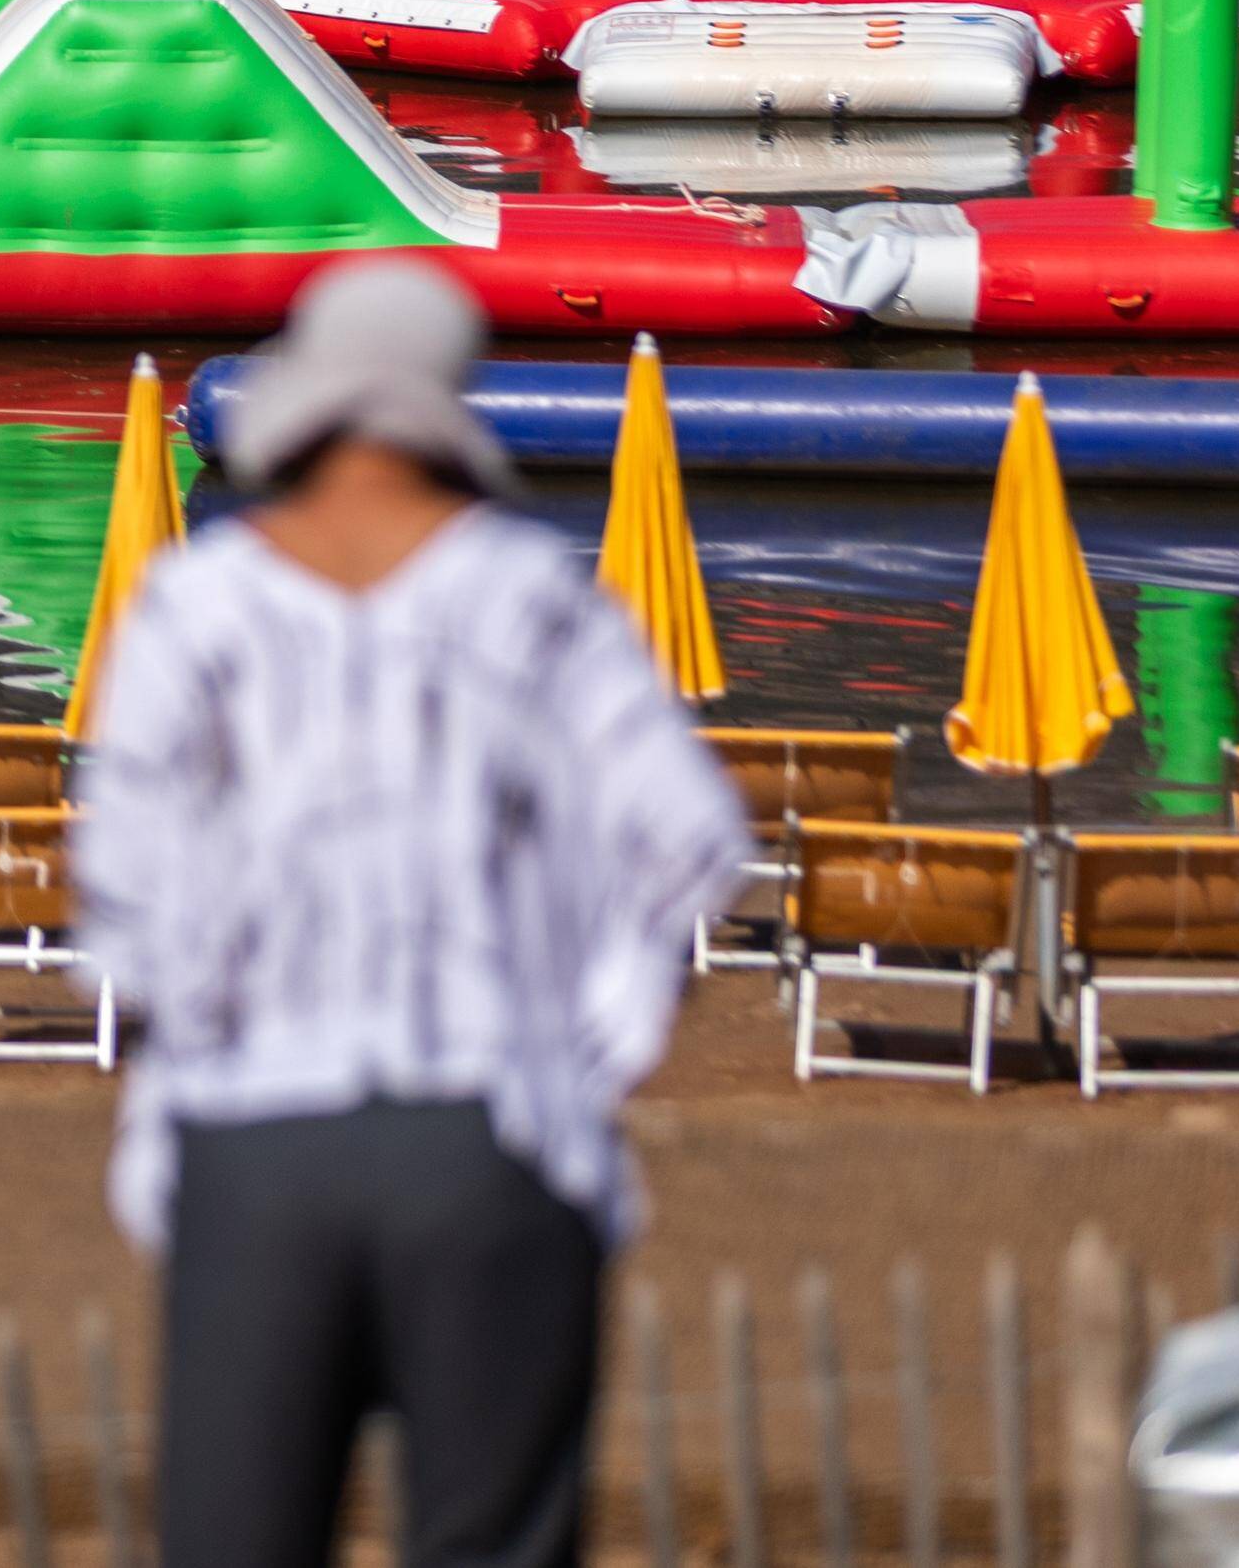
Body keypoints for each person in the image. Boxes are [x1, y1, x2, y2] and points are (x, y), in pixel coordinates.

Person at [70, 254, 750, 1568]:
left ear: (307, 408)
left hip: (250, 1138)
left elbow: (124, 887)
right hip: (495, 1131)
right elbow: (690, 842)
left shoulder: (196, 603)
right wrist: (590, 1034)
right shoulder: (539, 598)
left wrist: (194, 1017)